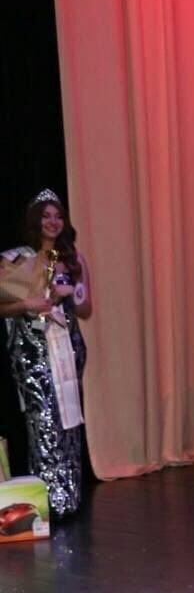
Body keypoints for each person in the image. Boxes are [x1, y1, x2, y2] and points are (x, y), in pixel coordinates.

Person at [0, 190, 92, 518]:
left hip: (68, 349)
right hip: (33, 352)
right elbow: (5, 306)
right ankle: (49, 502)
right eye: (46, 215)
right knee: (43, 420)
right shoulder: (16, 259)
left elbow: (85, 309)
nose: (52, 222)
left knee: (69, 420)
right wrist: (27, 303)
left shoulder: (73, 258)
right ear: (35, 220)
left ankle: (71, 500)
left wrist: (72, 291)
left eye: (58, 216)